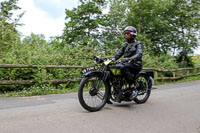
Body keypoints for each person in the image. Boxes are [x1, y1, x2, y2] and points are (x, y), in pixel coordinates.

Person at [113, 26, 143, 100]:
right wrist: (107, 59)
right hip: (127, 63)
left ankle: (132, 86)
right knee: (114, 67)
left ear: (132, 34)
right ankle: (117, 89)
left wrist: (129, 59)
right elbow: (117, 55)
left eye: (127, 33)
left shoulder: (138, 43)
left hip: (136, 64)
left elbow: (139, 54)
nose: (126, 35)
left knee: (123, 68)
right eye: (125, 33)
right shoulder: (125, 44)